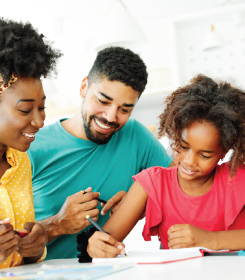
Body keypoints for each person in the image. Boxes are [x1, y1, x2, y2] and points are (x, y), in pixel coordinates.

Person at [27, 46, 173, 259]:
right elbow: (2, 237)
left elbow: (178, 188)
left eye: (124, 109)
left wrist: (138, 202)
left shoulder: (136, 136)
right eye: (103, 101)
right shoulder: (32, 147)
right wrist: (58, 224)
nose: (111, 117)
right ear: (84, 88)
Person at [85, 74, 245, 259]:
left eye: (205, 155)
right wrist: (96, 246)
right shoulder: (152, 183)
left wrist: (209, 239)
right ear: (175, 136)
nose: (189, 160)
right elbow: (107, 239)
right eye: (183, 147)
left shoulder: (238, 178)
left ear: (223, 152)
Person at [0, 16, 61, 274]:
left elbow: (21, 260)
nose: (39, 121)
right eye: (25, 110)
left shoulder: (20, 162)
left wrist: (35, 248)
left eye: (41, 107)